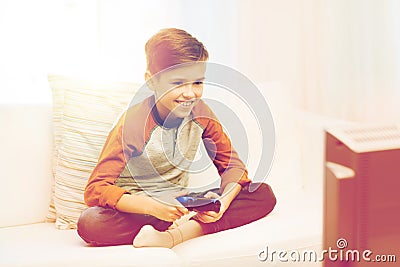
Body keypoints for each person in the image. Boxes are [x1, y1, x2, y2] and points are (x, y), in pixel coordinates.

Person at [77, 28, 276, 248]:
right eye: (179, 83)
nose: (190, 93)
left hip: (180, 203)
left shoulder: (202, 113)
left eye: (198, 83)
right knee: (91, 223)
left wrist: (221, 204)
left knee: (263, 194)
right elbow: (96, 188)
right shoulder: (133, 123)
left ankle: (177, 234)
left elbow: (234, 167)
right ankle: (170, 224)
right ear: (151, 82)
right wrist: (152, 206)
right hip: (142, 208)